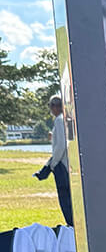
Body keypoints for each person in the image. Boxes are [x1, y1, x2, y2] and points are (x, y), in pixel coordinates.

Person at [34, 95, 73, 226]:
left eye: (51, 106)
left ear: (56, 106)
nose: (50, 109)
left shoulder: (59, 120)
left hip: (61, 164)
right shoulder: (67, 119)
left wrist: (53, 164)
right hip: (68, 164)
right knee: (69, 197)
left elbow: (61, 145)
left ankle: (71, 224)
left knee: (64, 198)